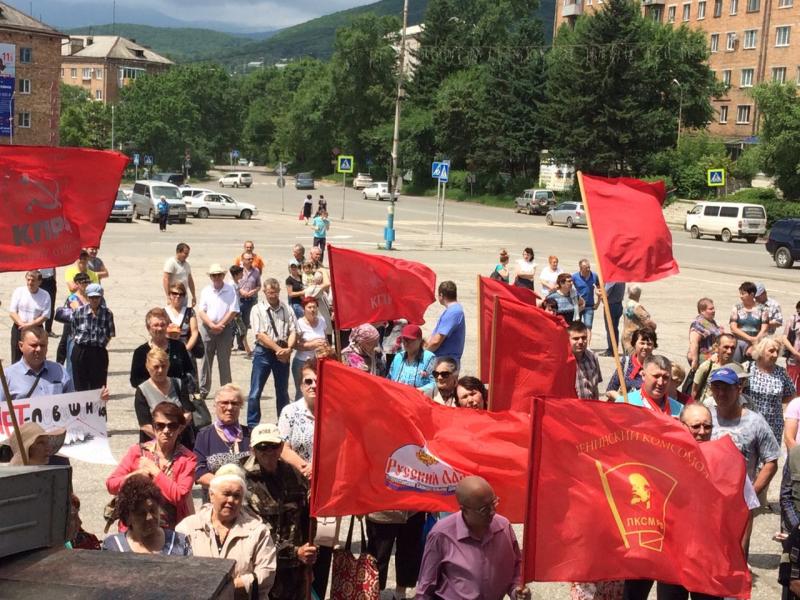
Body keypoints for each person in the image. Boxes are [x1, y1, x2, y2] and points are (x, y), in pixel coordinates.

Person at [417, 475, 530, 600]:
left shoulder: (503, 527)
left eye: (494, 503)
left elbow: (516, 566)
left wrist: (516, 591)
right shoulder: (442, 534)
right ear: (464, 510)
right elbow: (425, 587)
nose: (492, 511)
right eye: (484, 509)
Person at [708, 366, 780, 554]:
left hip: (740, 503)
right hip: (708, 501)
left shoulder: (755, 422)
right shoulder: (705, 417)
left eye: (726, 388)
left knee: (737, 555)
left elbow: (771, 460)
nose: (721, 393)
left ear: (739, 389)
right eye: (716, 387)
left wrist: (751, 495)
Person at [177, 465, 277, 599]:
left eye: (237, 496)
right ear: (211, 495)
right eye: (226, 494)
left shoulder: (258, 531)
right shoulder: (188, 527)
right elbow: (177, 571)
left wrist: (224, 589)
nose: (231, 500)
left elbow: (266, 575)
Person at [243, 423, 318, 600]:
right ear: (252, 449)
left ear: (282, 447)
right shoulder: (242, 481)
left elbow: (306, 517)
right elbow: (248, 533)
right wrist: (293, 552)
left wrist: (308, 555)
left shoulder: (293, 474)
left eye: (274, 446)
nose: (268, 451)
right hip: (261, 568)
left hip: (295, 569)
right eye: (262, 447)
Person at [107, 402, 197, 530]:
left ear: (180, 428)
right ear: (153, 427)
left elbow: (179, 496)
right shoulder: (137, 451)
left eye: (172, 426)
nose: (166, 430)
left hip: (170, 529)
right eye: (160, 425)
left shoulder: (188, 458)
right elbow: (111, 485)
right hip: (135, 528)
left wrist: (154, 471)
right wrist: (135, 475)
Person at [248, 279, 297, 427]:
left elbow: (293, 330)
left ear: (279, 291)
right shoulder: (257, 309)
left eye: (275, 293)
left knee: (282, 391)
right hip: (264, 352)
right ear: (264, 292)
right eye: (269, 293)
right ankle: (252, 425)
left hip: (283, 352)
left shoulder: (287, 308)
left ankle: (283, 424)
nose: (272, 296)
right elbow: (260, 335)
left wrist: (289, 348)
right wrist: (278, 350)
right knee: (255, 391)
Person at [103, 474, 191, 555]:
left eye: (153, 510)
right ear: (128, 517)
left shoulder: (179, 543)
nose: (149, 517)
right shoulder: (114, 548)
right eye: (141, 513)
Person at [195, 385, 252, 499]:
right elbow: (199, 472)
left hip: (248, 501)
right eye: (224, 403)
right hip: (214, 502)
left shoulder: (251, 434)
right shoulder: (204, 436)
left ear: (240, 406)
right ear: (215, 405)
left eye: (234, 403)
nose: (230, 407)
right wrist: (228, 487)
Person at [133, 347, 195, 447]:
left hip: (181, 440)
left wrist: (174, 434)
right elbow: (144, 425)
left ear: (168, 366)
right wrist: (164, 438)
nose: (160, 370)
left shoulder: (178, 384)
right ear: (148, 367)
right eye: (156, 367)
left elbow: (187, 413)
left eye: (164, 366)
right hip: (154, 443)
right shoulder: (142, 390)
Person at [197, 263, 240, 399]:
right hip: (207, 328)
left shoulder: (230, 290)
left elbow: (233, 310)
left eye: (219, 275)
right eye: (213, 275)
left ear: (223, 275)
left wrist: (220, 325)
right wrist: (211, 324)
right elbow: (201, 311)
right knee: (205, 360)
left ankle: (226, 390)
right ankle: (203, 390)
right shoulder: (206, 291)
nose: (216, 277)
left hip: (224, 328)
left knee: (224, 360)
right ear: (210, 277)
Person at [130, 307, 195, 390]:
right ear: (148, 328)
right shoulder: (140, 352)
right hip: (150, 395)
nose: (160, 328)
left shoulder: (178, 347)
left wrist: (178, 386)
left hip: (176, 393)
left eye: (162, 325)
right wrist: (156, 386)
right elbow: (135, 381)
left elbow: (189, 372)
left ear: (167, 326)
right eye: (156, 325)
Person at [746, 336, 796, 444]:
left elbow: (791, 394)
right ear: (760, 351)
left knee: (770, 459)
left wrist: (774, 399)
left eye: (777, 351)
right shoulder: (748, 368)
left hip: (773, 425)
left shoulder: (781, 372)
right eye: (771, 351)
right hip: (750, 423)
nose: (775, 355)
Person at [70, 283, 114, 392]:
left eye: (97, 297)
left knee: (98, 387)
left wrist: (99, 343)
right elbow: (73, 330)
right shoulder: (79, 312)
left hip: (98, 352)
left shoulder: (107, 313)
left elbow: (110, 333)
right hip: (81, 350)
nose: (94, 300)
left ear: (101, 296)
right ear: (87, 296)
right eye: (92, 297)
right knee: (80, 386)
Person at [8, 270, 51, 363]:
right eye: (28, 280)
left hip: (36, 329)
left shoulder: (45, 295)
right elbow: (12, 312)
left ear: (39, 282)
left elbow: (45, 316)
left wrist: (30, 325)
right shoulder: (19, 291)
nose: (30, 283)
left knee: (37, 357)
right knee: (16, 357)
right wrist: (21, 324)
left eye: (33, 280)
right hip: (19, 328)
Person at [291, 297, 327, 401]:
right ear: (304, 309)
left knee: (318, 391)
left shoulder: (322, 321)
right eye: (309, 307)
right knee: (302, 392)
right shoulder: (299, 323)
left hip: (318, 362)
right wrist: (311, 345)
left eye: (314, 307)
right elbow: (294, 345)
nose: (312, 310)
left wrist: (325, 347)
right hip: (302, 362)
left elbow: (326, 339)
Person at [606, 327, 657, 398]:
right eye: (642, 343)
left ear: (654, 346)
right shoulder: (626, 362)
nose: (645, 347)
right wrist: (621, 399)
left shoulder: (658, 366)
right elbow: (610, 390)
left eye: (649, 344)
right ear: (634, 344)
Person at [691, 333, 740, 405]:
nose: (729, 351)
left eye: (733, 348)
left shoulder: (739, 368)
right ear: (717, 347)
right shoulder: (707, 366)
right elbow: (694, 391)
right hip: (708, 409)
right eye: (726, 347)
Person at [388, 324, 436, 398]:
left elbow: (435, 383)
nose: (406, 343)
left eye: (410, 340)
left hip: (418, 400)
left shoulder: (429, 358)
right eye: (404, 339)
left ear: (420, 340)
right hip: (397, 398)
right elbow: (389, 378)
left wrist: (417, 391)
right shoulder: (398, 357)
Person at [426, 281, 466, 363]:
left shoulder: (453, 312)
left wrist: (422, 354)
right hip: (445, 360)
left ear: (441, 295)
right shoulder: (454, 310)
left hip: (444, 362)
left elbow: (436, 341)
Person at [729, 281, 768, 363]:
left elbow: (764, 328)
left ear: (752, 294)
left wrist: (756, 341)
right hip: (739, 342)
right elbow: (733, 328)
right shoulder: (736, 308)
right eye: (740, 293)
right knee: (736, 366)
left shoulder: (763, 309)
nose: (741, 296)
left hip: (757, 343)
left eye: (743, 294)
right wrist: (750, 339)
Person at [164, 282, 202, 358]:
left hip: (186, 349)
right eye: (174, 293)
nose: (178, 296)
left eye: (181, 294)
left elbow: (194, 332)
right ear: (169, 295)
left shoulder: (189, 312)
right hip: (168, 350)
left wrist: (186, 349)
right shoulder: (163, 312)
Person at [569, 321, 602, 400]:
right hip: (571, 409)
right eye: (576, 338)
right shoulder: (563, 361)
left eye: (584, 338)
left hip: (590, 408)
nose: (580, 342)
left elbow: (595, 388)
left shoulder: (593, 357)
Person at [236, 253, 261, 352]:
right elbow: (233, 283)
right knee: (235, 323)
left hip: (250, 300)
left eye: (251, 259)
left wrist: (253, 291)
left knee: (246, 322)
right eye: (248, 259)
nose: (250, 261)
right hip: (239, 299)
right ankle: (233, 344)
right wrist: (241, 291)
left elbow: (259, 285)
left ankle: (242, 344)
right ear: (242, 260)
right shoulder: (237, 270)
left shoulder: (256, 271)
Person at [687, 297, 722, 370]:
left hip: (713, 356)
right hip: (703, 358)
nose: (714, 311)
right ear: (702, 311)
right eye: (710, 309)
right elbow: (694, 342)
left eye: (713, 308)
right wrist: (695, 360)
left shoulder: (710, 322)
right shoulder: (698, 324)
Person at [621, 285, 656, 354]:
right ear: (639, 294)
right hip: (635, 337)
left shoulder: (628, 304)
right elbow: (647, 322)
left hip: (626, 335)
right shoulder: (637, 307)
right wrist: (654, 326)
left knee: (628, 359)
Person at [572, 259, 599, 329]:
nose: (588, 269)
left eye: (589, 267)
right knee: (576, 327)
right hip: (578, 306)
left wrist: (598, 303)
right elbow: (568, 288)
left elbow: (600, 289)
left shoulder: (594, 276)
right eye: (586, 267)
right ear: (580, 268)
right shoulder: (574, 277)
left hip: (589, 306)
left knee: (588, 326)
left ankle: (587, 340)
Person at [600, 281, 625, 357]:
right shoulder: (621, 280)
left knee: (610, 328)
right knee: (614, 329)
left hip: (611, 306)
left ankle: (611, 350)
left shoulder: (611, 281)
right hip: (618, 305)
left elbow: (605, 294)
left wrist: (598, 293)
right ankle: (614, 348)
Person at [784, 300, 800, 392]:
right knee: (791, 386)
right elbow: (784, 338)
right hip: (793, 358)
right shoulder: (793, 319)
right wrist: (795, 352)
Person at [38, 266, 57, 337]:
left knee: (51, 306)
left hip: (50, 281)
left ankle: (48, 330)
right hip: (40, 280)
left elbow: (54, 267)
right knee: (38, 306)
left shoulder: (51, 255)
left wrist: (54, 279)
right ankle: (38, 328)